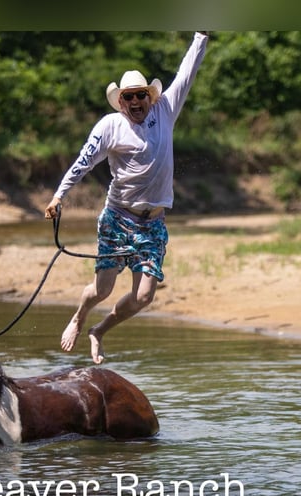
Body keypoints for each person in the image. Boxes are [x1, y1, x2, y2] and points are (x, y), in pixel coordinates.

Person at [44, 31, 209, 364]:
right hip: (118, 218)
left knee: (145, 295)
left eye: (140, 96)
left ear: (149, 97)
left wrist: (201, 36)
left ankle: (99, 331)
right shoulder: (109, 127)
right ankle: (80, 317)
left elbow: (187, 72)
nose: (135, 102)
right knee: (101, 290)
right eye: (128, 98)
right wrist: (58, 196)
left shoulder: (165, 110)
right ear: (120, 101)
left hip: (153, 225)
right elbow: (83, 162)